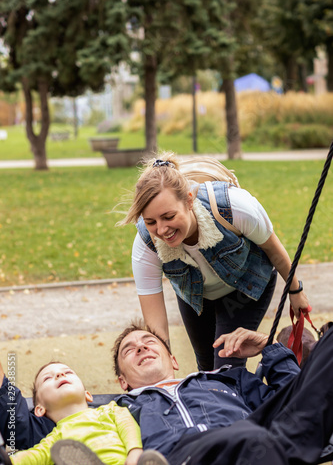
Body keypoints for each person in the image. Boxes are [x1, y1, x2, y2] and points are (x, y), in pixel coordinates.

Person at [118, 151, 310, 370]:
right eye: (151, 221)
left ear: (189, 200)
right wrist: (162, 370)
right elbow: (156, 323)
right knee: (207, 367)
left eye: (169, 217)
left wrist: (296, 292)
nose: (161, 230)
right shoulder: (146, 243)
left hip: (244, 286)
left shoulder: (234, 207)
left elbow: (273, 249)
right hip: (197, 296)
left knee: (226, 366)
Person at [112, 321, 333, 465]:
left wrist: (270, 345)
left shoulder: (228, 379)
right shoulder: (118, 409)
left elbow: (295, 402)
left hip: (256, 447)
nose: (141, 348)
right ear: (122, 381)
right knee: (252, 436)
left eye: (149, 342)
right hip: (183, 457)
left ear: (173, 360)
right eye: (129, 350)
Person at [8, 362, 143, 465]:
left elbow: (128, 427)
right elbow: (34, 456)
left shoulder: (111, 410)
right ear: (39, 409)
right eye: (47, 378)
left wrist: (135, 452)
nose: (60, 375)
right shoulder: (56, 438)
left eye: (68, 372)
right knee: (61, 451)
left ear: (87, 395)